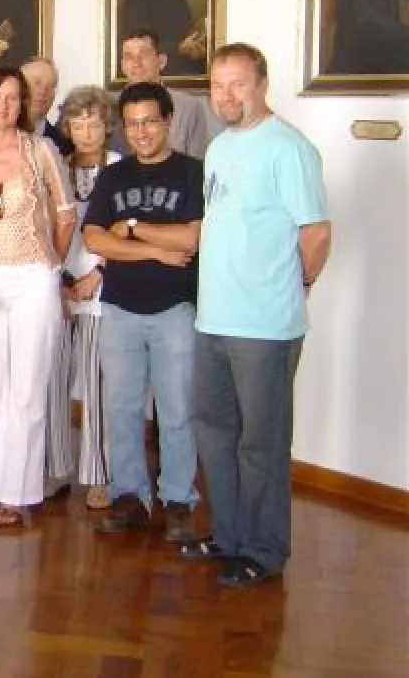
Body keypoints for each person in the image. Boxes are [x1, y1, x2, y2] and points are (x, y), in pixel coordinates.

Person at [184, 43, 330, 587]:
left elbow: (315, 232)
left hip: (266, 326)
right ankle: (228, 535)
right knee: (215, 431)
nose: (226, 95)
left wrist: (302, 284)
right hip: (214, 317)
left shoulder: (288, 149)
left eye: (237, 84)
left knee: (261, 442)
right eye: (218, 86)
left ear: (262, 84)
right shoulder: (220, 147)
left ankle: (265, 550)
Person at [0, 66, 75, 527]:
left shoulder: (39, 150)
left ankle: (20, 493)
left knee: (27, 387)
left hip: (33, 279)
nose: (3, 105)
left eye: (12, 97)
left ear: (22, 105)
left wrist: (51, 267)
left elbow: (65, 214)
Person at [83, 81, 204, 542]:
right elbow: (95, 239)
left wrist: (130, 230)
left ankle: (178, 499)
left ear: (167, 121)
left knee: (177, 410)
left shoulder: (192, 172)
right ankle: (129, 496)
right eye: (132, 124)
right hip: (120, 308)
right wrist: (156, 246)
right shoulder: (114, 177)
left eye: (150, 121)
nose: (141, 132)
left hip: (176, 308)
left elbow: (191, 240)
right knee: (122, 408)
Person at [56, 85, 121, 510]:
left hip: (102, 288)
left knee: (97, 388)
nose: (85, 131)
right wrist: (62, 282)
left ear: (107, 125)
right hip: (59, 290)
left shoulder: (121, 169)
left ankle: (99, 475)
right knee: (54, 381)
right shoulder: (57, 166)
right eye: (77, 123)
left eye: (93, 122)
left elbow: (128, 230)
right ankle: (53, 468)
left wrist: (98, 273)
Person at [110, 29, 219, 159]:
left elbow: (198, 162)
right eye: (129, 57)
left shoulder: (188, 106)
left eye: (143, 55)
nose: (136, 63)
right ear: (122, 65)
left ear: (161, 61)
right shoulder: (109, 106)